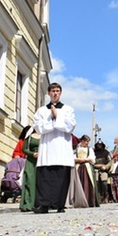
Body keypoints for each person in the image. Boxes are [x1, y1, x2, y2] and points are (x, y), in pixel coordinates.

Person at [32, 82, 76, 213]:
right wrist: (51, 116)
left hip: (62, 148)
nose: (55, 93)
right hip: (47, 147)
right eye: (52, 91)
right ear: (48, 93)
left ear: (60, 93)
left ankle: (60, 204)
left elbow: (71, 126)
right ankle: (43, 205)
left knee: (61, 178)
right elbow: (38, 128)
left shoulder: (68, 109)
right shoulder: (41, 110)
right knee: (44, 177)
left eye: (57, 91)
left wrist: (57, 115)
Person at [74, 134, 98, 207]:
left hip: (87, 167)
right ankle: (78, 201)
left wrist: (84, 159)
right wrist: (78, 159)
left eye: (87, 141)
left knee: (88, 183)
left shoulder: (89, 149)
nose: (87, 143)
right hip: (78, 167)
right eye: (85, 141)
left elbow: (92, 158)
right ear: (82, 141)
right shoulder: (76, 149)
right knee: (78, 183)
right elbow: (73, 157)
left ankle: (88, 200)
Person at [19, 129, 39, 212]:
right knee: (29, 181)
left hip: (42, 160)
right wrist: (32, 154)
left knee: (40, 182)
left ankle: (40, 204)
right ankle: (28, 204)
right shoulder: (30, 137)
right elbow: (24, 149)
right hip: (31, 161)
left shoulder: (46, 135)